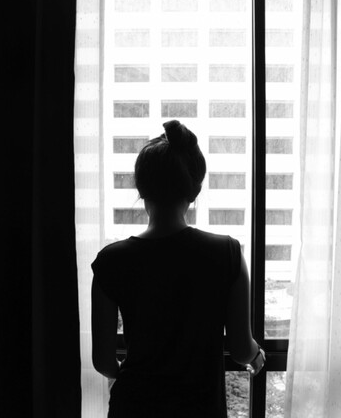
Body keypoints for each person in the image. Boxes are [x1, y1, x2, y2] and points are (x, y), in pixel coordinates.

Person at [91, 120, 265, 418]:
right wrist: (257, 355)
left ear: (141, 187)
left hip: (133, 407)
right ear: (194, 190)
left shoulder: (111, 261)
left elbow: (104, 362)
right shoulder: (227, 253)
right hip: (201, 408)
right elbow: (240, 349)